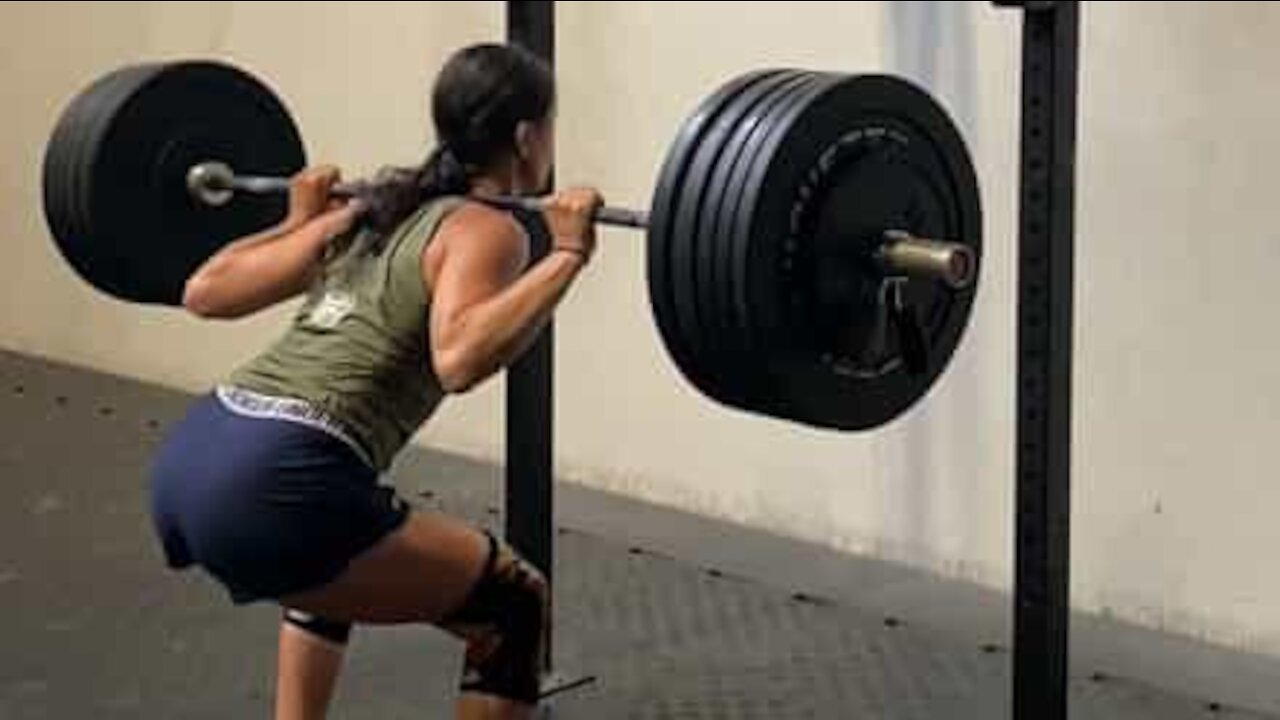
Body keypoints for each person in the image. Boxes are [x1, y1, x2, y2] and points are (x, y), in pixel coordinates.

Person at [148, 42, 600, 720]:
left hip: (196, 455)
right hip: (279, 480)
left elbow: (205, 290)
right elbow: (459, 358)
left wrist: (295, 224)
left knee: (330, 573)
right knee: (514, 605)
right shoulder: (486, 227)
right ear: (528, 137)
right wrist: (566, 254)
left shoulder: (371, 210)